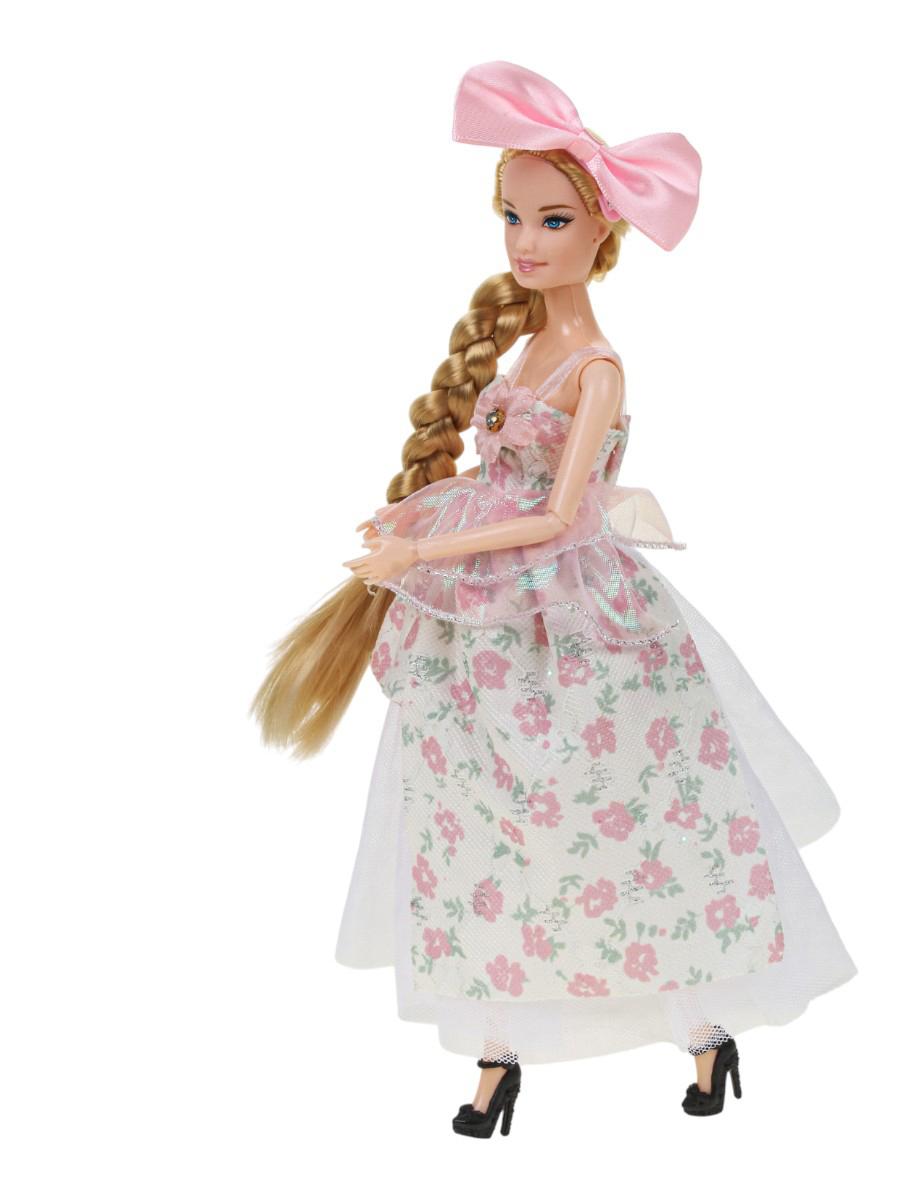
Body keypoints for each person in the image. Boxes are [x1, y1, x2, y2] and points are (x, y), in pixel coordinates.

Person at [253, 61, 857, 1138]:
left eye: (552, 220)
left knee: (616, 817)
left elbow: (556, 515)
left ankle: (704, 1029)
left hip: (574, 622)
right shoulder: (531, 344)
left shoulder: (597, 368)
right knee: (477, 823)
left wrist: (424, 555)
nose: (526, 242)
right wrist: (419, 525)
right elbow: (501, 483)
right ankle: (497, 1051)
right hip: (484, 631)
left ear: (604, 229)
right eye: (513, 217)